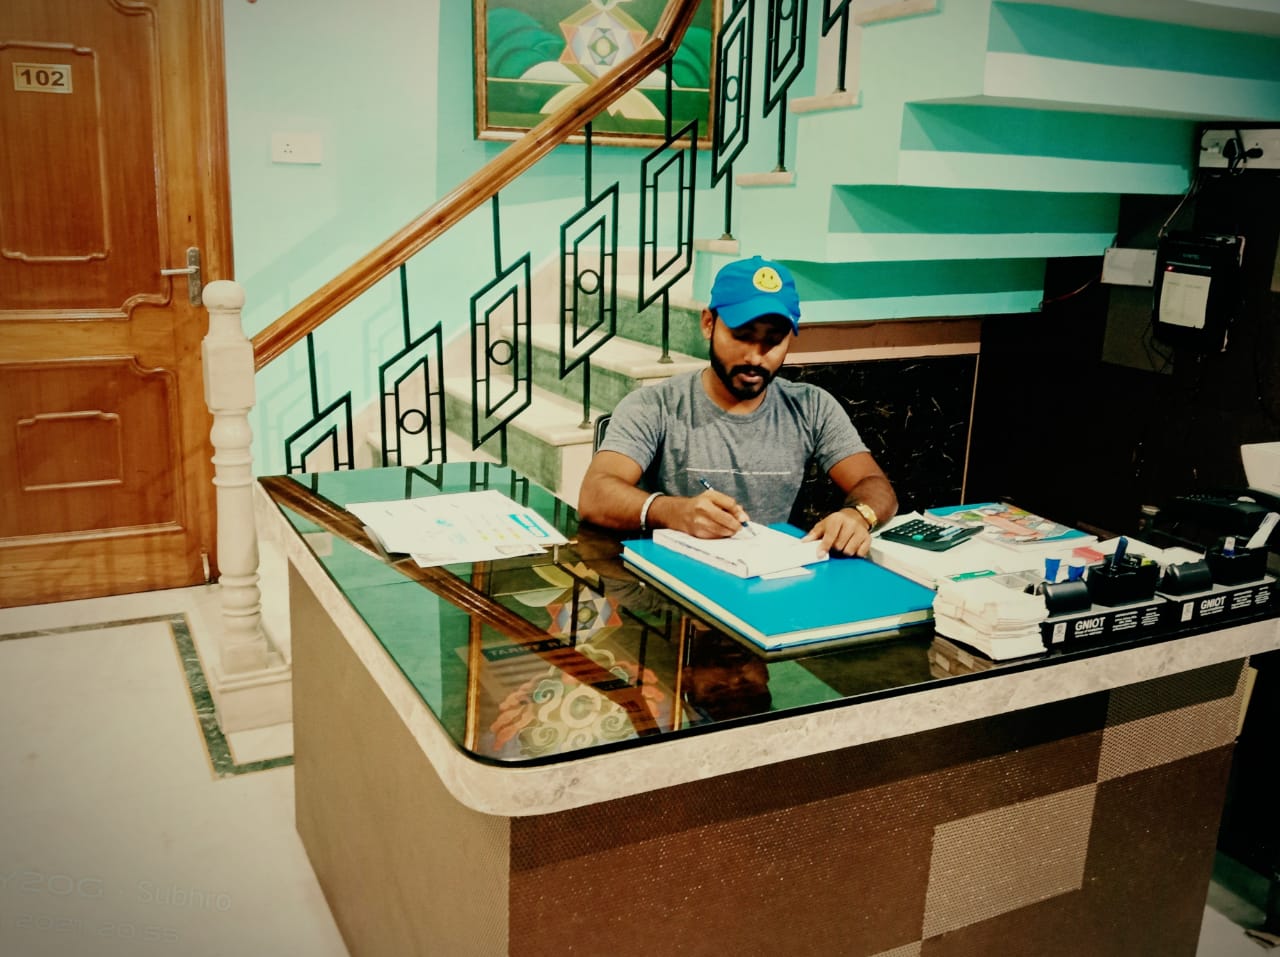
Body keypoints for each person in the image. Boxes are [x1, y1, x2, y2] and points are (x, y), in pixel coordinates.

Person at [577, 255, 897, 557]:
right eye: (742, 336)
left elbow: (875, 486)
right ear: (708, 324)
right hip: (676, 582)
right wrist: (675, 512)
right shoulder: (655, 405)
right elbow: (594, 495)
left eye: (773, 341)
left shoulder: (812, 407)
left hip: (775, 576)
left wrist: (858, 516)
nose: (755, 356)